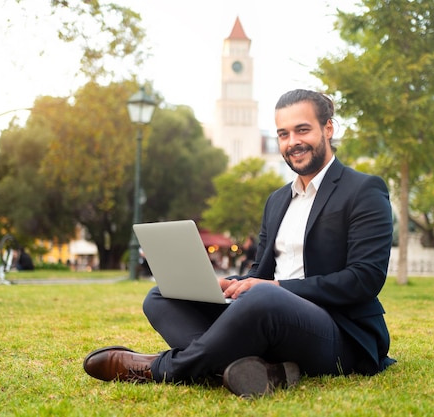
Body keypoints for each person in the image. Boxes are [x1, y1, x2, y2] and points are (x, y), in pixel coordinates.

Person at [83, 89, 396, 397]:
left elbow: (364, 280)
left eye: (302, 130)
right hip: (269, 314)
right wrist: (230, 284)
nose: (292, 142)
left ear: (328, 128)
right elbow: (260, 273)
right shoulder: (277, 201)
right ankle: (250, 370)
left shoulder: (364, 190)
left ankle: (160, 368)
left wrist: (276, 289)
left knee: (263, 300)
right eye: (283, 134)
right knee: (162, 296)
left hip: (340, 332)